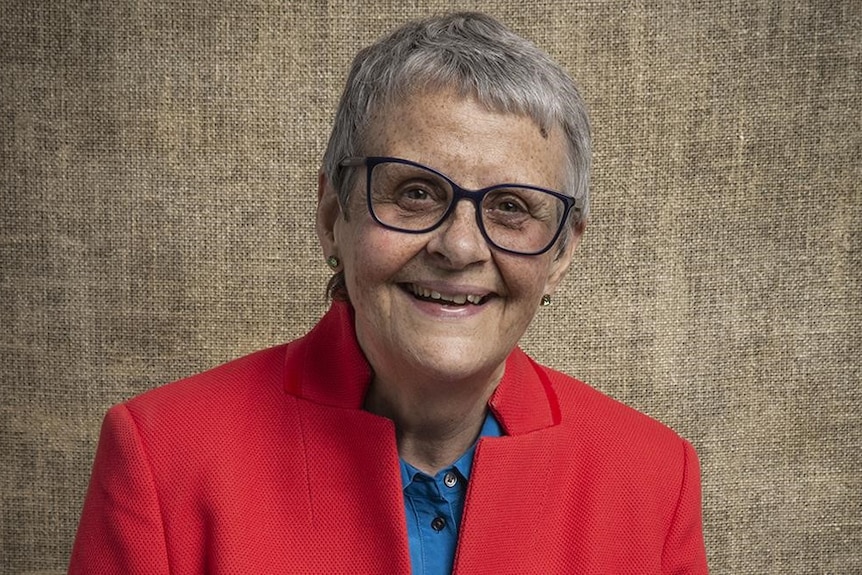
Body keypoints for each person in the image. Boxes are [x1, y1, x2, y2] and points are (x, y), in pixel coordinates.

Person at [69, 12, 708, 574]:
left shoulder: (652, 480)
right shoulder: (163, 457)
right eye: (415, 193)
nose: (460, 248)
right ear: (332, 215)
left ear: (563, 251)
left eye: (512, 207)